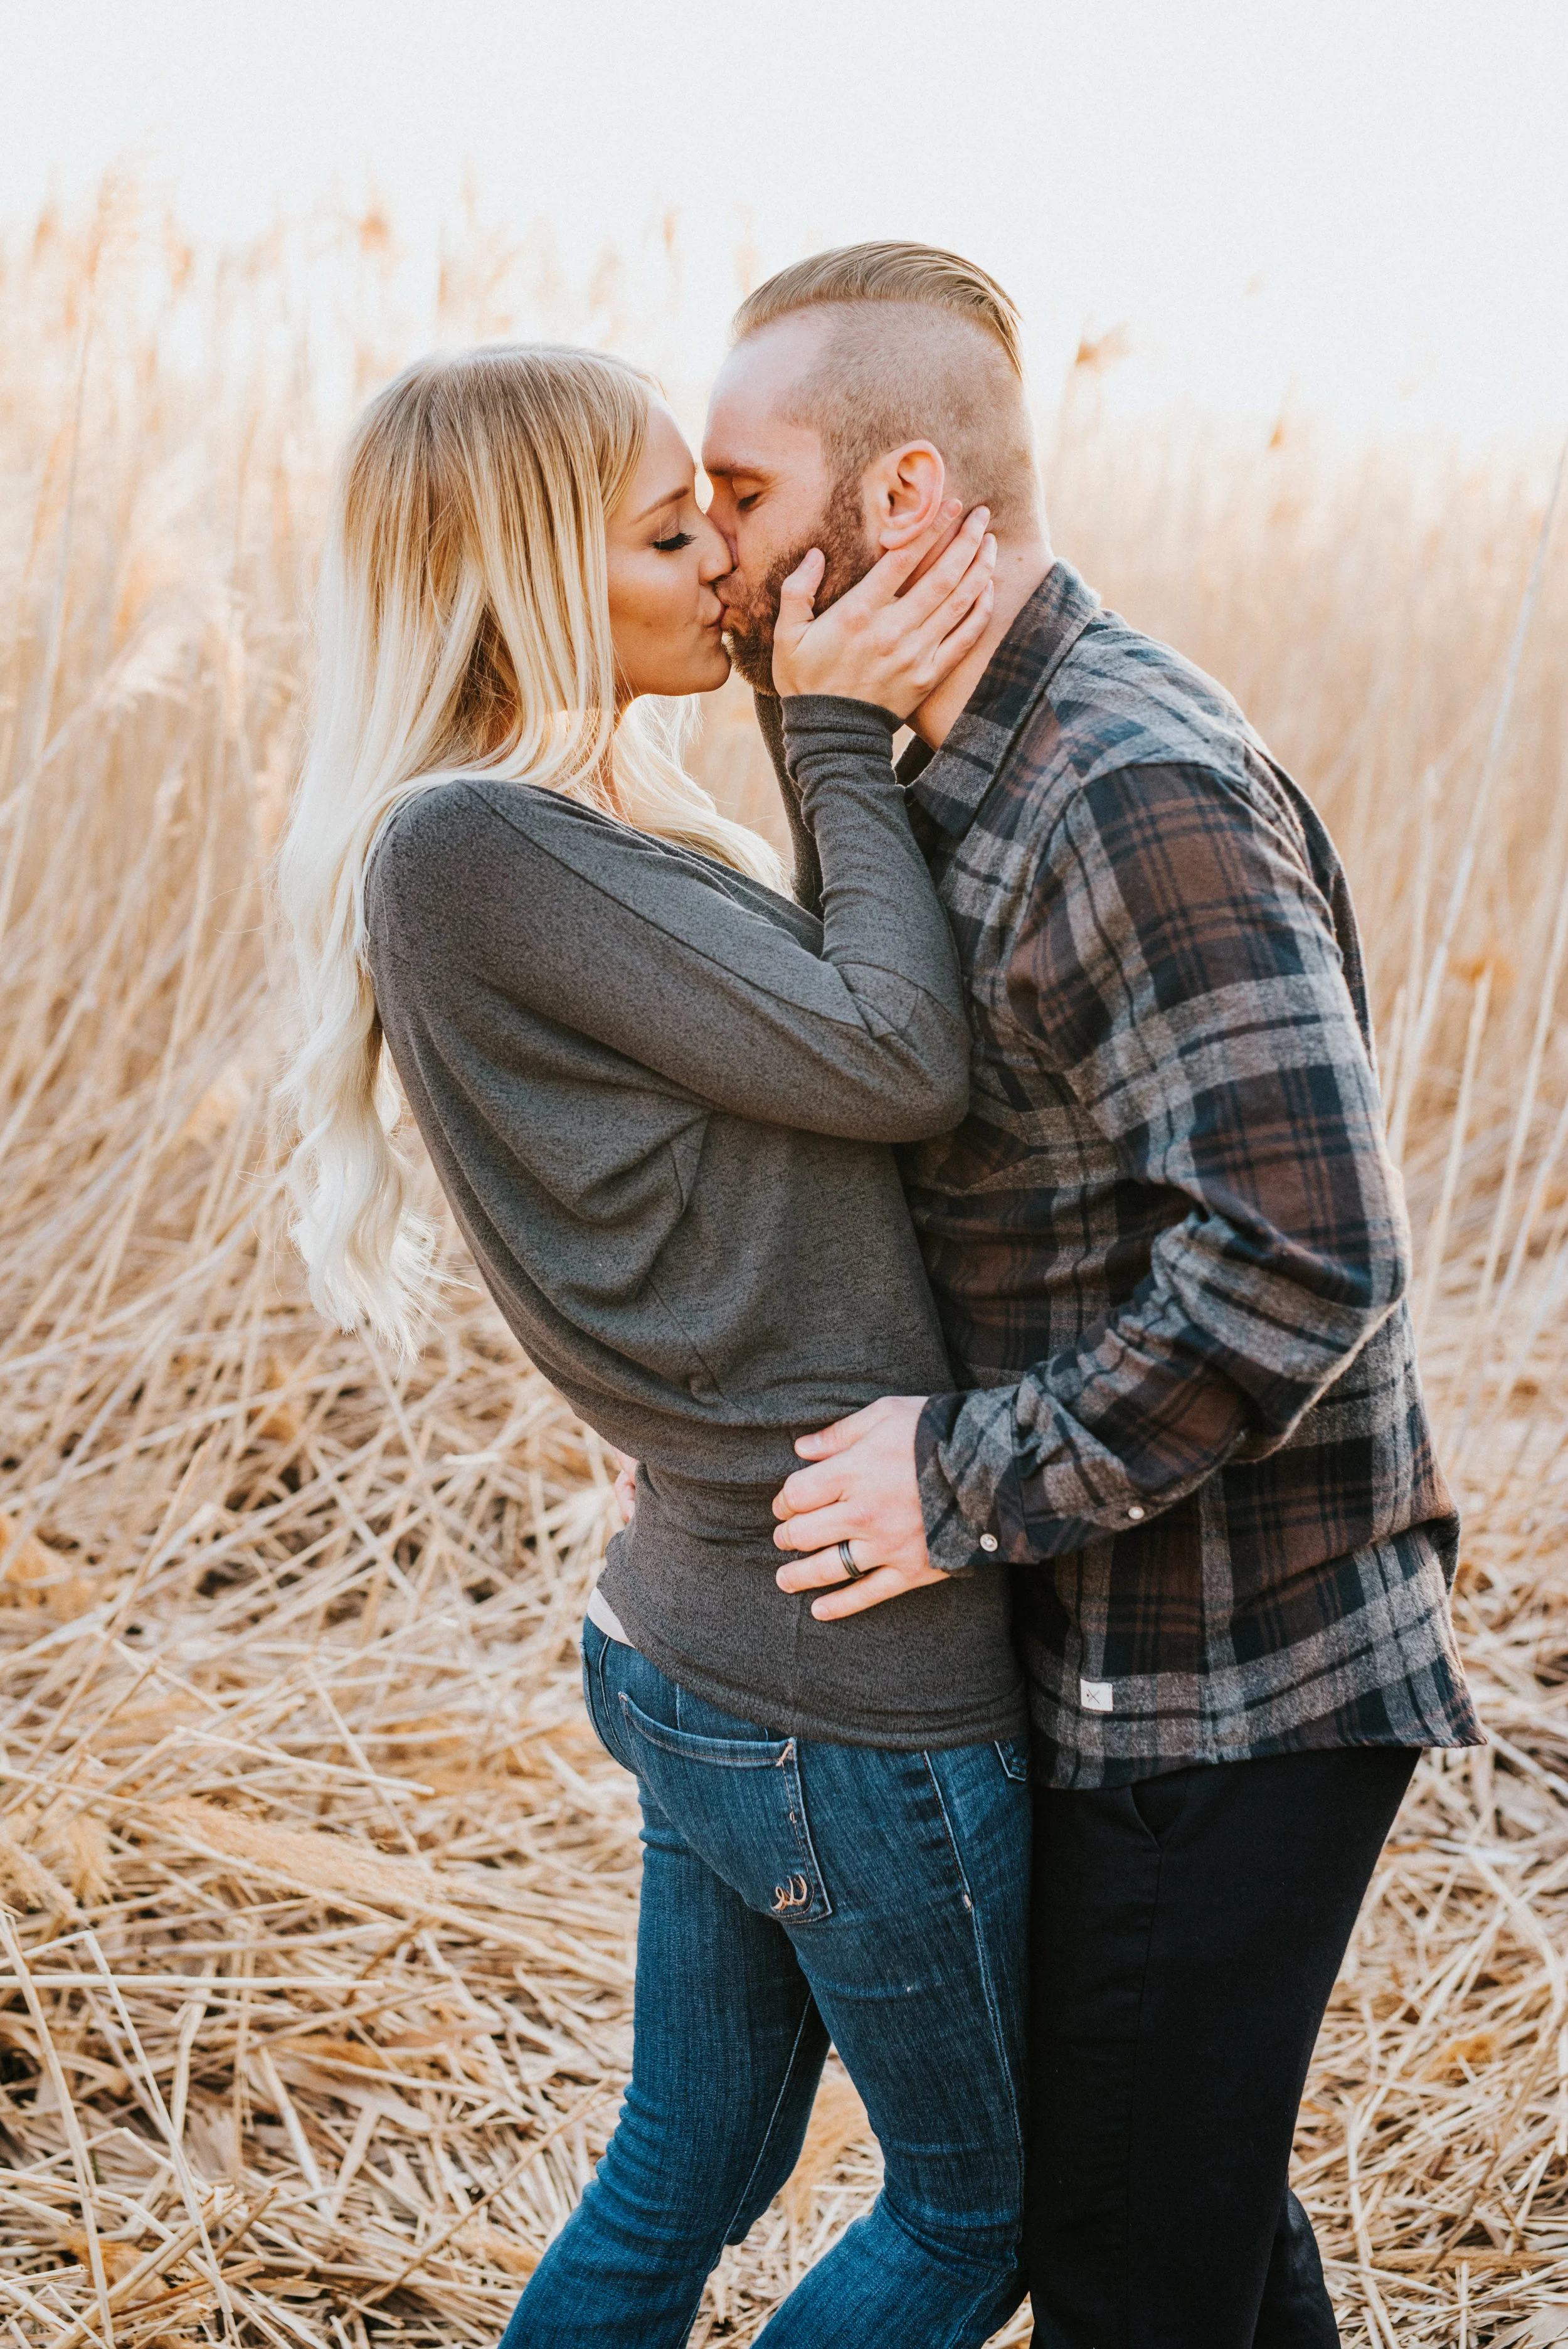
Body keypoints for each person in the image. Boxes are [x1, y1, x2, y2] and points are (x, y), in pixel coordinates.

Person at [695, 243, 1484, 2348]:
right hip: (1110, 1642)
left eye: (748, 499)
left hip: (1228, 1677)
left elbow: (1305, 1255)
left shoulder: (1123, 785)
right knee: (1186, 2236)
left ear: (907, 500)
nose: (714, 553)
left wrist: (950, 1480)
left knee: (1125, 2261)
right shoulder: (920, 753)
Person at [276, 342, 1034, 2348]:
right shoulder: (474, 848)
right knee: (981, 2221)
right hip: (832, 1655)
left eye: (716, 514)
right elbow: (889, 1059)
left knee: (681, 2170)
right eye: (664, 530)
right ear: (527, 572)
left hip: (720, 1624)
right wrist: (840, 739)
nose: (726, 570)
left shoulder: (564, 827)